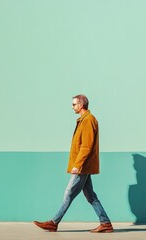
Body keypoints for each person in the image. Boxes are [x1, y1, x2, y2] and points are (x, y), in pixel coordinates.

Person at [34, 94, 113, 233]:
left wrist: (77, 165)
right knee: (91, 196)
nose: (72, 107)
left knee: (69, 193)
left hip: (82, 166)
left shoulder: (88, 120)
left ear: (81, 105)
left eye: (74, 104)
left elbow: (86, 146)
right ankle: (105, 223)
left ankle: (54, 222)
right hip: (84, 166)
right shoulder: (84, 120)